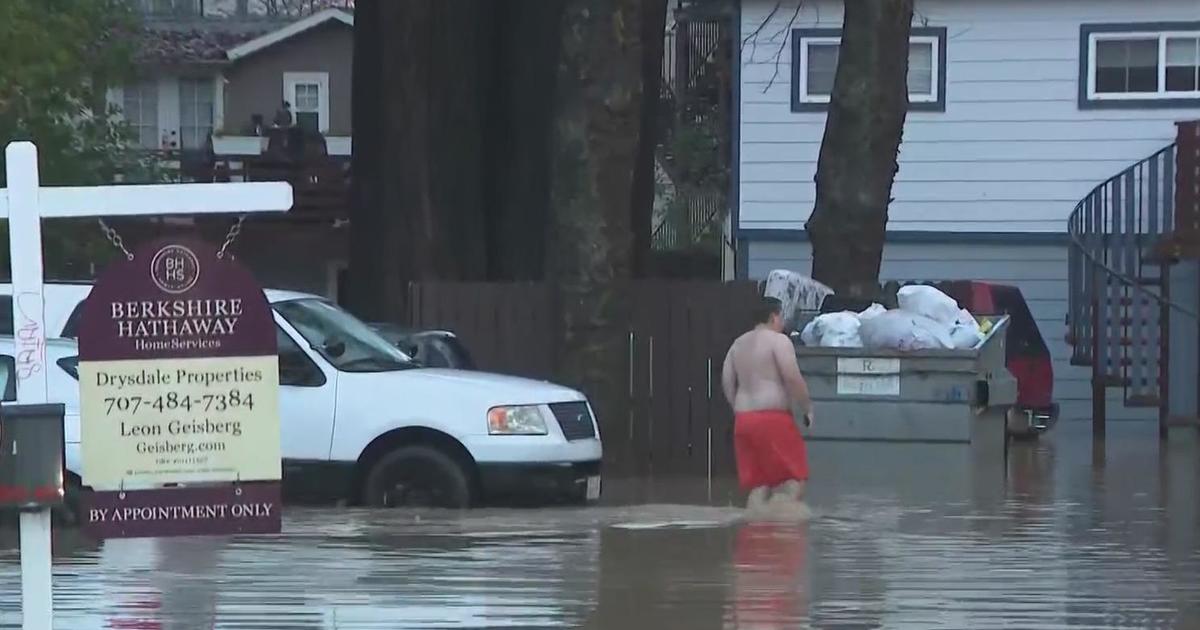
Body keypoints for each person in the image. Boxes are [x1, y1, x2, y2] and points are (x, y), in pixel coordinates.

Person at [721, 296, 814, 518]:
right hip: (773, 418)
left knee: (759, 483)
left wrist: (738, 407)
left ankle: (755, 531)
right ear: (774, 316)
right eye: (781, 317)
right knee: (794, 478)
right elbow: (792, 376)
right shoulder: (778, 341)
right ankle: (783, 527)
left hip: (744, 420)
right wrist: (807, 406)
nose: (782, 322)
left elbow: (726, 380)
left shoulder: (737, 344)